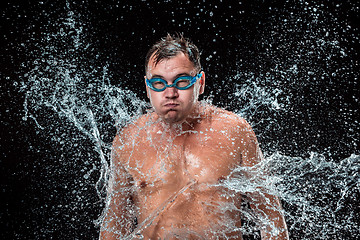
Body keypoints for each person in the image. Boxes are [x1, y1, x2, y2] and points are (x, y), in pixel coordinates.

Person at [100, 34, 289, 240]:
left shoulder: (234, 131)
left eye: (181, 81)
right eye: (159, 83)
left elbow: (271, 220)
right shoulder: (129, 140)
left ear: (200, 82)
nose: (170, 92)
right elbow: (114, 227)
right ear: (147, 87)